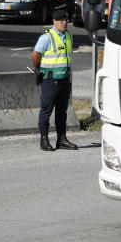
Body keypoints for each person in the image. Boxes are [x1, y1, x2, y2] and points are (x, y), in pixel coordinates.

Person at [31, 8, 78, 151]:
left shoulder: (69, 35)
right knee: (46, 110)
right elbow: (35, 55)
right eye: (61, 20)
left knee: (62, 111)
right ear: (54, 22)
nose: (64, 22)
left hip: (64, 79)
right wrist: (39, 69)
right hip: (50, 79)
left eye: (66, 20)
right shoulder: (47, 37)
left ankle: (61, 139)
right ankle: (44, 140)